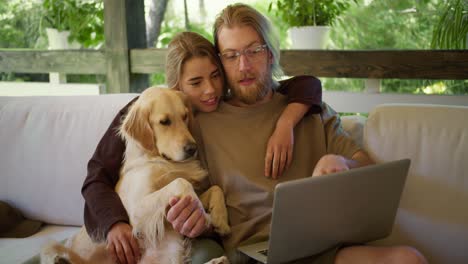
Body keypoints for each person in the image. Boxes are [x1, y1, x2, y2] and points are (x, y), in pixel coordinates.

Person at [188, 3, 427, 264]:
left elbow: (368, 169)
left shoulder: (312, 111)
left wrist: (343, 163)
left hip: (323, 250)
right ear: (220, 62)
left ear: (270, 53)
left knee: (408, 259)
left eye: (253, 51)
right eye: (231, 55)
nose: (243, 66)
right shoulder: (205, 124)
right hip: (254, 255)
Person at [82, 31, 322, 264]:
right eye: (196, 82)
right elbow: (96, 175)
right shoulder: (149, 110)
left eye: (216, 76)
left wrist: (285, 124)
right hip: (150, 225)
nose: (210, 90)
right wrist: (114, 223)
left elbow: (307, 84)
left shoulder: (227, 100)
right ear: (176, 85)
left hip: (203, 226)